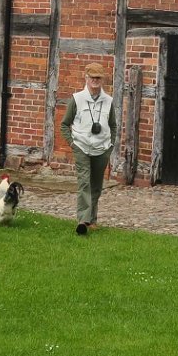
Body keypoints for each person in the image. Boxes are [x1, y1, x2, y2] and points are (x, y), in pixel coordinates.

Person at [61, 61, 116, 235]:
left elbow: (113, 125)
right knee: (84, 182)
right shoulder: (77, 99)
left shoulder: (108, 101)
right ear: (86, 78)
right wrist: (72, 143)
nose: (95, 81)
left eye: (98, 78)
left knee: (96, 185)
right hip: (82, 147)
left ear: (102, 80)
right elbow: (64, 125)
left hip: (102, 148)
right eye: (92, 77)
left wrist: (110, 145)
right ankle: (83, 220)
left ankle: (92, 219)